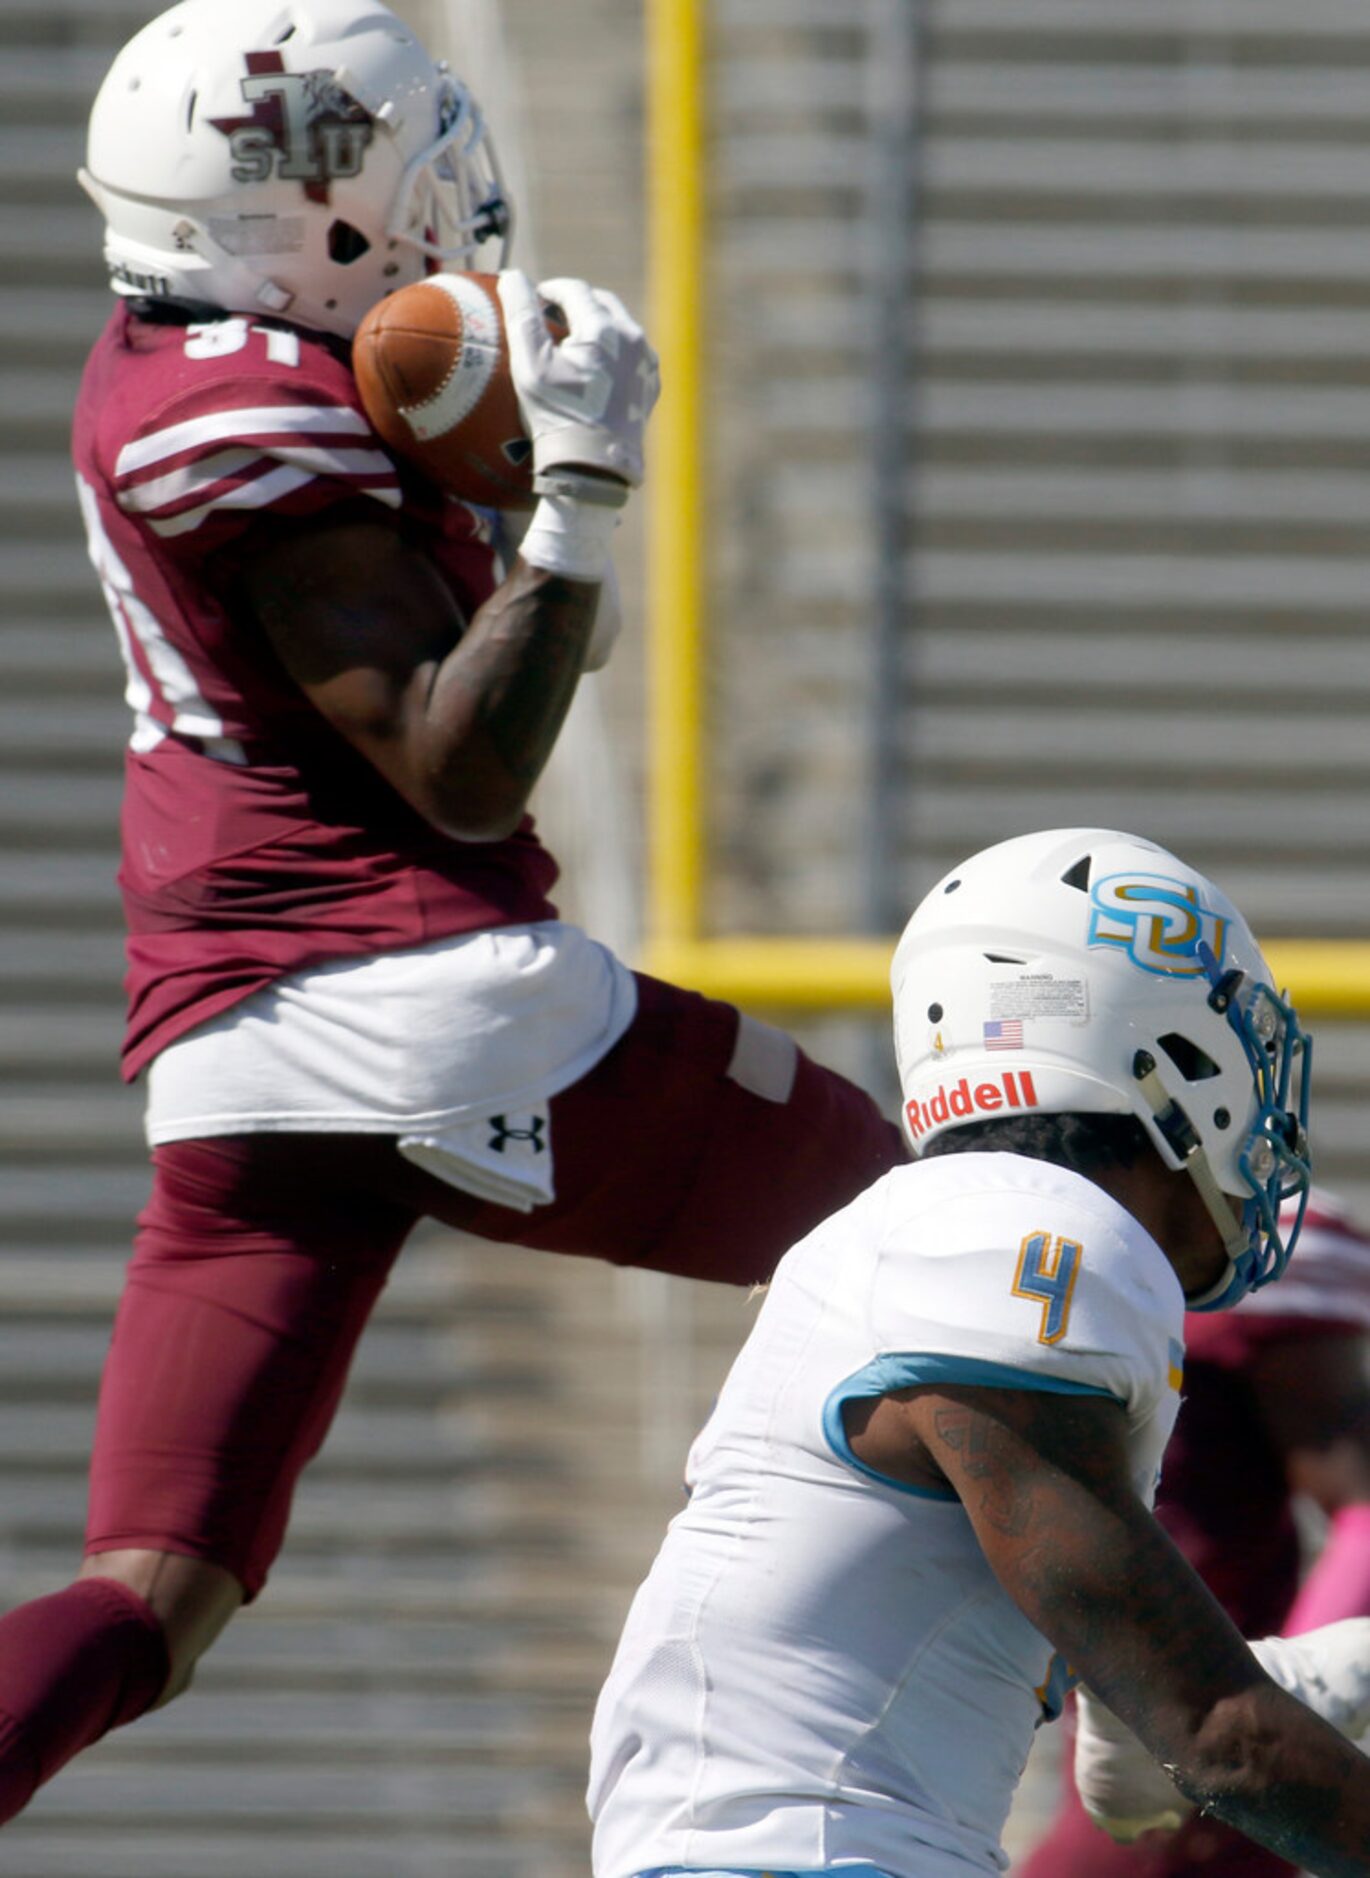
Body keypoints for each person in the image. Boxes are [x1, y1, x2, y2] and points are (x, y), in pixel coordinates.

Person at [0, 0, 906, 1827]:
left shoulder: (174, 354)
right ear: (297, 223)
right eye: (385, 181)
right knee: (926, 1232)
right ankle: (1098, 1681)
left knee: (153, 1593)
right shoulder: (249, 420)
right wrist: (568, 507)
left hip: (237, 1054)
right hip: (417, 981)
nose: (442, 205)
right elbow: (462, 766)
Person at [587, 826, 1370, 1878]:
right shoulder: (1027, 1232)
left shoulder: (948, 1224)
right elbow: (1216, 1738)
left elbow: (1157, 1727)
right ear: (1165, 1054)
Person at [1018, 1185, 1370, 1877]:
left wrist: (1279, 1709)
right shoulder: (1033, 1227)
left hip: (1196, 1728)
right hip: (1122, 1713)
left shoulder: (1233, 1231)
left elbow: (1365, 1509)